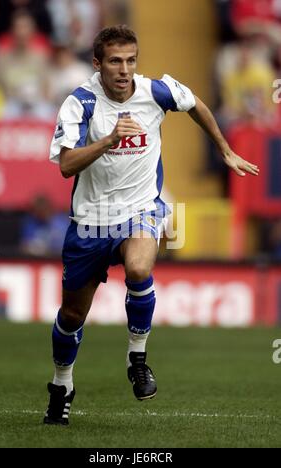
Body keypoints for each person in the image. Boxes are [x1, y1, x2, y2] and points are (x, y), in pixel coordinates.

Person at [43, 25, 259, 425]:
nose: (124, 70)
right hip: (91, 222)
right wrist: (108, 140)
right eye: (114, 61)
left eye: (130, 60)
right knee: (72, 316)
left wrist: (224, 149)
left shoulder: (155, 92)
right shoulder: (80, 103)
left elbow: (194, 102)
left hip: (141, 209)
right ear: (97, 64)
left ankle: (137, 359)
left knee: (140, 268)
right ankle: (62, 384)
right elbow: (66, 165)